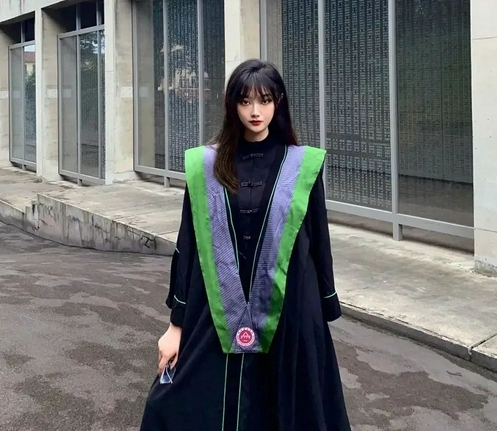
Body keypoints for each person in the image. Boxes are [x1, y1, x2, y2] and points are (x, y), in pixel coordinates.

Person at [140, 59, 351, 431]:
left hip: (289, 307)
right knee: (176, 401)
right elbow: (187, 247)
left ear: (278, 102)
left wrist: (322, 311)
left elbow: (319, 241)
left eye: (265, 100)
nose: (255, 111)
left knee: (288, 407)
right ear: (232, 105)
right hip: (217, 305)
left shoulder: (303, 164)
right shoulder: (206, 165)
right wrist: (176, 326)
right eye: (245, 101)